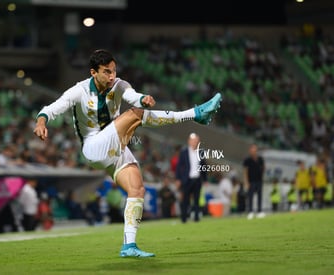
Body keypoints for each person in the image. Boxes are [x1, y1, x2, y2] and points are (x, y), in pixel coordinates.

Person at [33, 49, 222, 257]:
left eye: (114, 71)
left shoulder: (119, 84)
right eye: (106, 72)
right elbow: (51, 108)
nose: (112, 76)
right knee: (135, 115)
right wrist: (41, 123)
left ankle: (129, 246)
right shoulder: (79, 91)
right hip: (93, 148)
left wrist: (143, 99)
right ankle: (195, 114)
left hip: (115, 146)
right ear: (93, 72)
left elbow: (133, 96)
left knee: (137, 188)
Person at [175, 133, 208, 223]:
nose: (194, 142)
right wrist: (178, 179)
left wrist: (205, 179)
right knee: (185, 199)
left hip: (197, 179)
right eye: (193, 141)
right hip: (187, 179)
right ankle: (184, 218)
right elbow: (179, 166)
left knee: (197, 199)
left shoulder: (201, 152)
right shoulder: (184, 152)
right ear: (189, 141)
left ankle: (196, 217)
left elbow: (203, 166)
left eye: (196, 141)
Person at [243, 143, 266, 219]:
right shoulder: (247, 160)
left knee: (260, 196)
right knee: (250, 197)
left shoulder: (260, 159)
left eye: (255, 150)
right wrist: (246, 182)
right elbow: (245, 171)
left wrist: (262, 176)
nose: (253, 151)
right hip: (251, 181)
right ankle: (250, 212)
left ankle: (259, 211)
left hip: (259, 180)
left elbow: (263, 168)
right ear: (250, 151)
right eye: (252, 150)